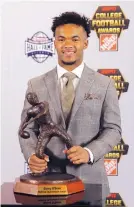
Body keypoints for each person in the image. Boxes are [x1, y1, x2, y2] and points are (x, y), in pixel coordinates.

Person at [19, 12, 121, 197]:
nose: (68, 45)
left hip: (91, 183)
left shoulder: (104, 84)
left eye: (75, 39)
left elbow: (113, 130)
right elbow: (27, 130)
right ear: (55, 43)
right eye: (61, 39)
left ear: (85, 43)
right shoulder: (36, 84)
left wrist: (89, 152)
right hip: (46, 181)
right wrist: (32, 156)